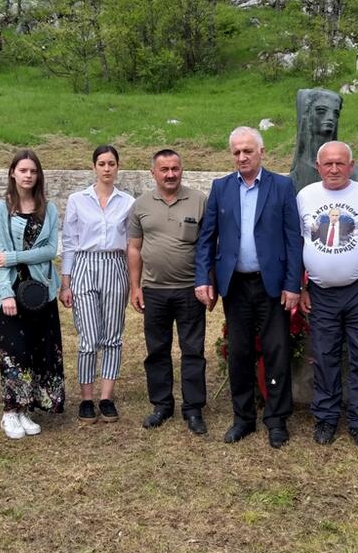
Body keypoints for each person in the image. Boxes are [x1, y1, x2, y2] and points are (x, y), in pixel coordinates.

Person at [195, 126, 302, 448]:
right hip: (236, 284)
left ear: (261, 152)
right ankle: (243, 418)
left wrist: (293, 284)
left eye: (248, 151)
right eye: (237, 152)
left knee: (276, 351)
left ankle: (276, 418)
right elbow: (206, 238)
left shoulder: (282, 187)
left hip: (271, 283)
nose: (242, 157)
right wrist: (203, 277)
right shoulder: (221, 188)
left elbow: (293, 239)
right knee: (239, 352)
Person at [297, 141, 358, 448]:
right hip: (321, 293)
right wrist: (302, 287)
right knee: (324, 356)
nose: (334, 169)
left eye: (340, 163)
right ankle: (326, 417)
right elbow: (298, 245)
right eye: (328, 164)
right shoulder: (305, 197)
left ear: (351, 166)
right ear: (318, 167)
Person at [128, 149, 209, 435]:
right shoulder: (140, 205)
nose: (171, 174)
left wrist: (207, 282)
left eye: (175, 168)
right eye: (164, 169)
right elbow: (134, 248)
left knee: (193, 350)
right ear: (153, 173)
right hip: (154, 290)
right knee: (157, 350)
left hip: (190, 290)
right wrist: (135, 287)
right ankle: (162, 405)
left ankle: (193, 408)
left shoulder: (199, 200)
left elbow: (208, 245)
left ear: (182, 169)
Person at [0, 150, 65, 439]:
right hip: (11, 290)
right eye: (23, 170)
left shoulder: (49, 208)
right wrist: (6, 293)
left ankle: (27, 408)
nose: (28, 175)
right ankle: (10, 411)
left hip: (41, 290)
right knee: (14, 351)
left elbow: (49, 251)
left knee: (39, 348)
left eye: (33, 171)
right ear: (13, 173)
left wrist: (13, 256)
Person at [60, 145, 134, 424]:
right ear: (94, 167)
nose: (106, 168)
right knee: (89, 337)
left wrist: (133, 280)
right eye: (102, 163)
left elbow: (130, 244)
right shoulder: (78, 199)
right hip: (85, 264)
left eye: (111, 163)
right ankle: (87, 398)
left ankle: (106, 397)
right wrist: (66, 282)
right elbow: (69, 242)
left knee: (112, 335)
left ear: (117, 167)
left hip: (115, 264)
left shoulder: (127, 202)